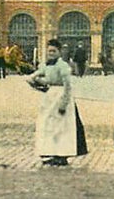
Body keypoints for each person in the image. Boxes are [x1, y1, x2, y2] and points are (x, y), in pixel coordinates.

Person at [26, 39, 87, 167]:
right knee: (48, 125)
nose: (51, 53)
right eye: (49, 51)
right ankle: (50, 152)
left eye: (54, 51)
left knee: (63, 128)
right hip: (49, 98)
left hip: (61, 97)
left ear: (59, 52)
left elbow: (68, 86)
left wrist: (63, 104)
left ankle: (62, 155)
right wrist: (35, 81)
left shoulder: (63, 66)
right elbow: (35, 77)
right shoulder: (46, 65)